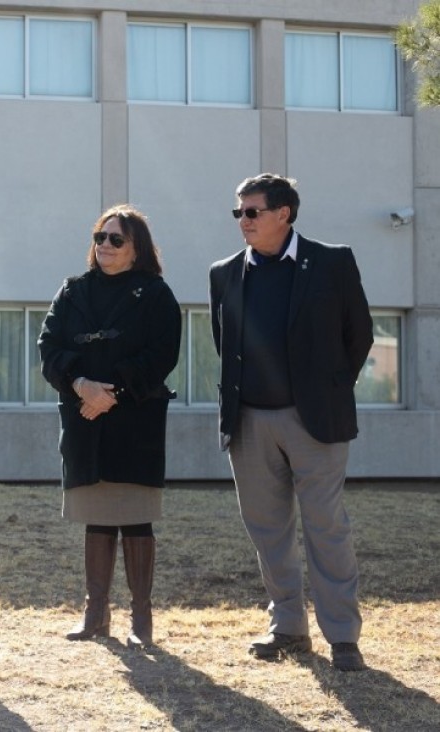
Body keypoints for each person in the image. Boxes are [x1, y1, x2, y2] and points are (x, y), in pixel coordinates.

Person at [209, 173, 373, 672]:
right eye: (238, 212)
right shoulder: (224, 272)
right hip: (249, 422)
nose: (243, 221)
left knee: (327, 528)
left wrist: (327, 389)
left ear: (284, 213)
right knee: (268, 531)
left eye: (252, 211)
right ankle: (288, 628)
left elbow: (359, 335)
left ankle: (343, 636)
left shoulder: (332, 262)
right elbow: (224, 342)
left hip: (315, 420)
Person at [38, 205, 181, 649]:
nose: (104, 245)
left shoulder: (156, 294)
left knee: (136, 519)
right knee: (96, 517)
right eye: (100, 236)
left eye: (116, 239)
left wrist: (111, 393)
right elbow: (49, 347)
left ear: (136, 247)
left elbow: (162, 355)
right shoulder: (73, 290)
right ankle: (95, 614)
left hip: (134, 421)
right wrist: (81, 385)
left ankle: (141, 621)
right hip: (83, 419)